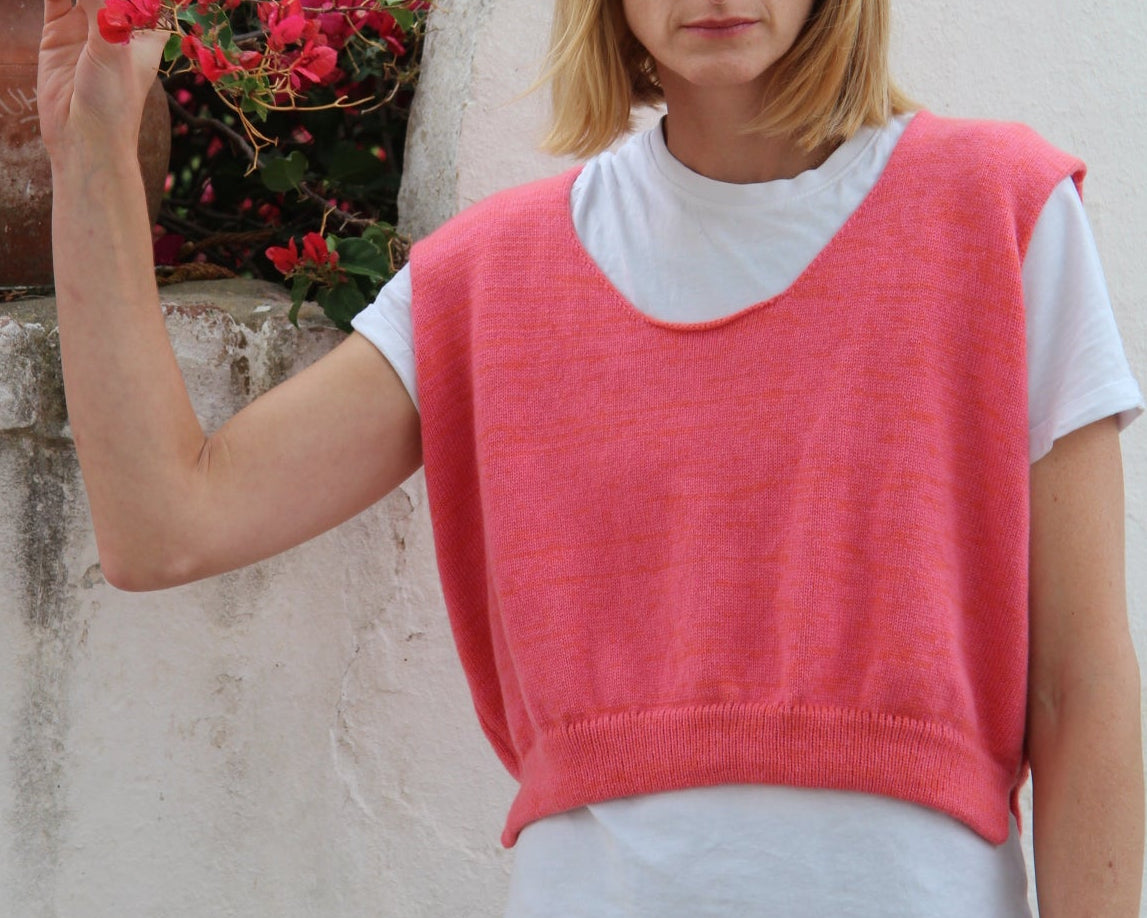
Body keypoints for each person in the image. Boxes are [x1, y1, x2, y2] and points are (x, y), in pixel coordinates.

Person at [38, 0, 1145, 915]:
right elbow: (165, 526)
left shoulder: (998, 211)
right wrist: (90, 146)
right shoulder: (488, 278)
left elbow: (1081, 685)